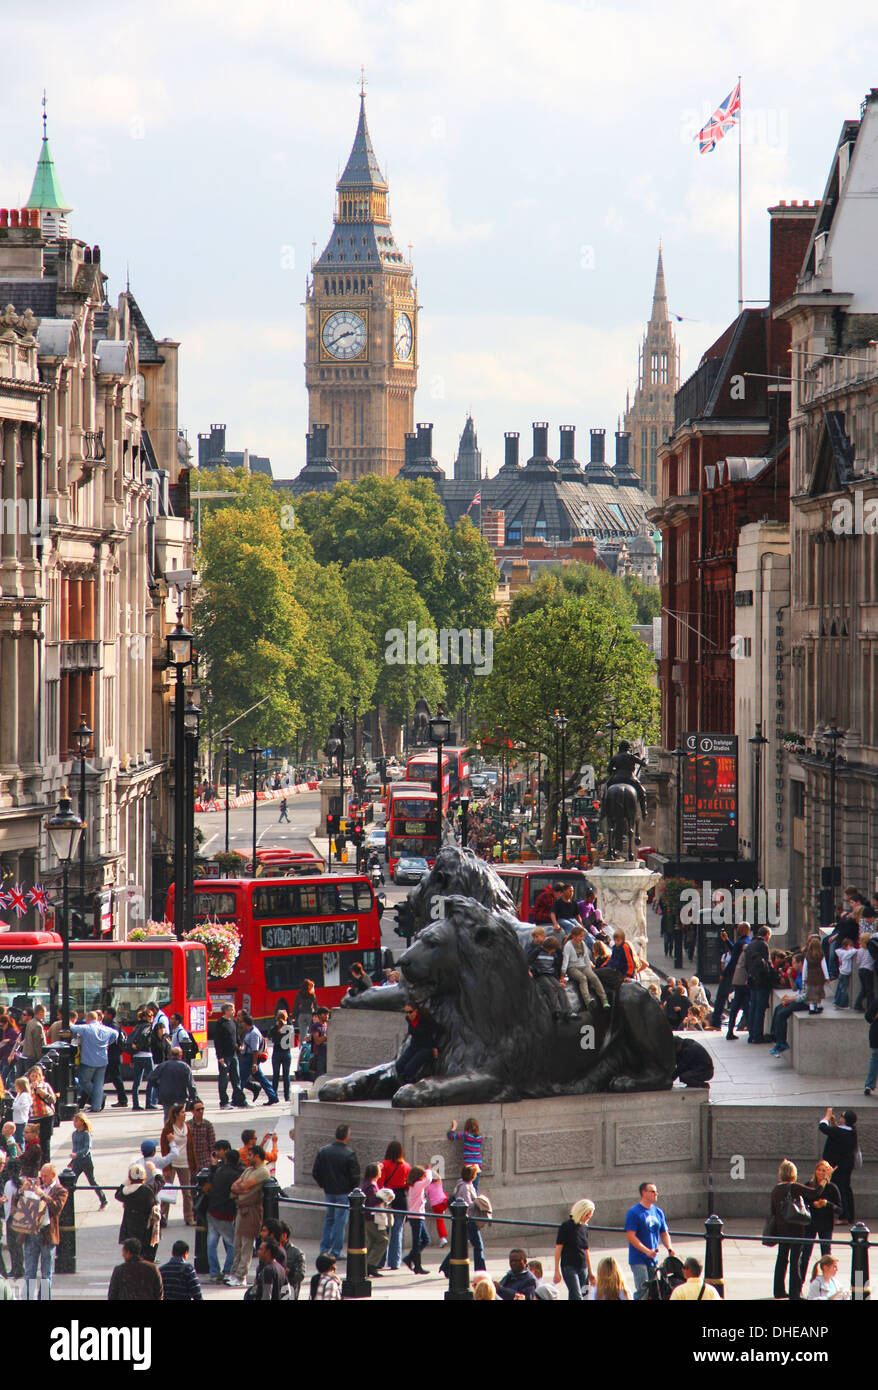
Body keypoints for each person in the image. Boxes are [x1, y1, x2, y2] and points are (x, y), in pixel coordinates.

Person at [17, 1161, 66, 1301]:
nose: (42, 1178)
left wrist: (43, 1195)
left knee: (46, 1273)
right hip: (31, 1234)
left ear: (53, 1175)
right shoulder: (36, 1187)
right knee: (29, 1272)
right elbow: (18, 1203)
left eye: (45, 1176)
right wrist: (23, 1190)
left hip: (47, 1236)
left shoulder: (60, 1190)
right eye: (41, 1175)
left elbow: (56, 1208)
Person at [312, 1123, 360, 1259]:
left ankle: (324, 1249)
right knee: (339, 1222)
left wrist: (324, 1184)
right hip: (343, 1192)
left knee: (329, 1219)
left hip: (329, 1190)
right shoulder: (349, 1154)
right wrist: (352, 1188)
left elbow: (316, 1172)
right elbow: (354, 1176)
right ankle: (335, 1251)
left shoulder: (323, 1151)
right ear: (347, 1136)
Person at [769, 1159, 814, 1300]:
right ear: (793, 1173)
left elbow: (773, 1211)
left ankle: (778, 1291)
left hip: (782, 1230)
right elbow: (815, 1193)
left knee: (781, 1259)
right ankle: (795, 1293)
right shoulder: (794, 1187)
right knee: (795, 1261)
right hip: (796, 1228)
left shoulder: (776, 1189)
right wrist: (826, 1179)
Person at [227, 1144, 271, 1288]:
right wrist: (240, 1188)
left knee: (246, 1244)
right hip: (240, 1209)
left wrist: (240, 1189)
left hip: (251, 1211)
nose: (247, 1157)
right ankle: (234, 1272)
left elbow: (243, 1186)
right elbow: (235, 1185)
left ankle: (241, 1276)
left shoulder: (262, 1171)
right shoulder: (248, 1170)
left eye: (250, 1155)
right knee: (237, 1243)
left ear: (257, 1156)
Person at [796, 1159, 842, 1293]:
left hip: (826, 1225)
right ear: (815, 1171)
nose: (821, 1173)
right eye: (819, 1170)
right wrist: (813, 1205)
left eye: (824, 1170)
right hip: (810, 1225)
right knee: (805, 1255)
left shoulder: (832, 1188)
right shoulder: (809, 1185)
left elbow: (840, 1210)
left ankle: (828, 1286)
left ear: (829, 1173)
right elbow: (802, 1204)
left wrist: (827, 1204)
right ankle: (799, 1285)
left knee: (826, 1255)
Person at [624, 1181, 676, 1295]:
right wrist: (646, 1251)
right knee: (643, 1290)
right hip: (638, 1258)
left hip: (652, 1259)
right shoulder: (634, 1212)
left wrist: (669, 1248)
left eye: (656, 1191)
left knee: (654, 1291)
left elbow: (664, 1233)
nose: (656, 1193)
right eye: (652, 1191)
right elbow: (630, 1236)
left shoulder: (658, 1212)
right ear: (644, 1193)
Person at [204, 1140, 243, 1283]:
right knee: (233, 1242)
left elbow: (210, 1181)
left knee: (211, 1243)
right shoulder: (237, 1173)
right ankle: (227, 1270)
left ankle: (214, 1272)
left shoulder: (219, 1170)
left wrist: (213, 1165)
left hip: (212, 1211)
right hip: (224, 1213)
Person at [69, 1010, 118, 1112]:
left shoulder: (86, 1028)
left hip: (89, 1059)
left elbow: (72, 1027)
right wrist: (107, 1043)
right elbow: (115, 1034)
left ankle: (100, 1097)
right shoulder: (106, 1029)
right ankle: (96, 1106)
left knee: (83, 1080)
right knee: (99, 1083)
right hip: (103, 1059)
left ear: (88, 1019)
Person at [115, 1163, 162, 1263]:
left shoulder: (125, 1193)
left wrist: (128, 1180)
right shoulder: (148, 1190)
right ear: (144, 1177)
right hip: (146, 1229)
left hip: (130, 1229)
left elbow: (117, 1193)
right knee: (147, 1258)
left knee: (132, 1256)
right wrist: (153, 1169)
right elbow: (160, 1181)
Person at [819, 1107, 858, 1223]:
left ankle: (844, 1216)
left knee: (840, 1189)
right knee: (846, 1188)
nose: (840, 1118)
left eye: (842, 1117)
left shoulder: (840, 1132)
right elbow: (839, 1132)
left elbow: (823, 1127)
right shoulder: (851, 1132)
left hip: (837, 1165)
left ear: (845, 1120)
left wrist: (826, 1117)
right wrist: (835, 1123)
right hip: (846, 1165)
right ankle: (850, 1215)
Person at [160, 1103, 195, 1226]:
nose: (184, 1114)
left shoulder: (187, 1128)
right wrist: (166, 1166)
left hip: (185, 1162)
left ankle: (189, 1217)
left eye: (185, 1112)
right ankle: (163, 1217)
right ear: (176, 1115)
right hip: (172, 1163)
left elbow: (191, 1147)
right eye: (182, 1112)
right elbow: (164, 1148)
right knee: (167, 1190)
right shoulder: (168, 1129)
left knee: (187, 1192)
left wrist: (193, 1163)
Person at [553, 1197, 595, 1300]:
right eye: (588, 1214)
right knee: (577, 1296)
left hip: (582, 1266)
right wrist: (556, 1270)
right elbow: (558, 1249)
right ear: (582, 1212)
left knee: (584, 1295)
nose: (590, 1216)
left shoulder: (584, 1228)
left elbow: (586, 1250)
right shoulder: (566, 1226)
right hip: (569, 1266)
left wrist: (590, 1271)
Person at [379, 1140, 411, 1269]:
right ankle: (394, 1262)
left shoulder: (384, 1165)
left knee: (383, 1231)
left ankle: (380, 1261)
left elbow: (380, 1184)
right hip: (401, 1200)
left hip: (386, 1198)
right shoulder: (406, 1166)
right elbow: (408, 1186)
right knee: (398, 1231)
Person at [561, 927, 609, 1010]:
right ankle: (587, 1000)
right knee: (582, 978)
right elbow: (565, 960)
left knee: (594, 977)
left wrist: (590, 970)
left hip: (582, 966)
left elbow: (586, 958)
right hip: (572, 967)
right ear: (574, 936)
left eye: (582, 936)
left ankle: (604, 1000)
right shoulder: (568, 946)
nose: (582, 938)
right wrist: (563, 973)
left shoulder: (583, 944)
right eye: (580, 936)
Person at [68, 1111, 107, 1209]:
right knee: (71, 1183)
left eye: (76, 1121)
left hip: (86, 1162)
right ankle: (67, 1203)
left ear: (82, 1122)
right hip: (77, 1162)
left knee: (92, 1181)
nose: (74, 1123)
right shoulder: (74, 1134)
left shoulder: (86, 1134)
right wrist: (72, 1161)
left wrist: (77, 1154)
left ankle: (103, 1200)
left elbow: (87, 1148)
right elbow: (75, 1148)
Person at [215, 1003, 248, 1109]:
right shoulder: (220, 1023)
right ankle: (224, 1102)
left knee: (236, 1079)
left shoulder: (233, 1022)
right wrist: (219, 1056)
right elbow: (217, 1041)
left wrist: (240, 1045)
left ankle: (240, 1100)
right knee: (224, 1079)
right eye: (232, 1009)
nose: (234, 1011)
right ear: (226, 1011)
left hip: (233, 1055)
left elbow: (236, 1035)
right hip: (224, 1056)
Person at [744, 926, 774, 1043]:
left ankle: (752, 1034)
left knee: (753, 1008)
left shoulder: (750, 945)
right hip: (762, 981)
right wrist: (775, 976)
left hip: (752, 980)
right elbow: (767, 964)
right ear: (767, 934)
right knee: (760, 1009)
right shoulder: (763, 945)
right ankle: (757, 1035)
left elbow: (746, 964)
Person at [398, 1002, 440, 1082]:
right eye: (406, 1012)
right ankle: (402, 1082)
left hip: (425, 1047)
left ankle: (410, 1083)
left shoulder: (425, 1019)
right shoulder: (409, 1020)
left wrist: (434, 1047)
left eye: (410, 1012)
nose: (408, 1015)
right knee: (399, 1065)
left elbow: (435, 1031)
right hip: (414, 1046)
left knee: (409, 1070)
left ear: (416, 1011)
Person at [401, 1164, 432, 1274]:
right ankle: (417, 1265)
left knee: (425, 1239)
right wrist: (428, 1170)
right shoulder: (418, 1184)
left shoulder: (414, 1185)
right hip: (416, 1216)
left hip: (418, 1215)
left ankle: (410, 1258)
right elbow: (428, 1180)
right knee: (417, 1241)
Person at [150, 1046, 195, 1120]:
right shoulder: (185, 1066)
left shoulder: (163, 1065)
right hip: (180, 1096)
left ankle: (168, 1130)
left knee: (168, 1115)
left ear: (170, 1055)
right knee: (180, 1116)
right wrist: (194, 1097)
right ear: (181, 1055)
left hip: (166, 1096)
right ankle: (178, 1130)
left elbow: (151, 1078)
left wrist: (159, 1086)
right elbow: (191, 1084)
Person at [360, 1163, 390, 1275]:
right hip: (373, 1217)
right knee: (383, 1240)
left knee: (372, 1241)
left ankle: (364, 1265)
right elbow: (373, 1201)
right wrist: (384, 1198)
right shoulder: (371, 1186)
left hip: (370, 1217)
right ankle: (371, 1264)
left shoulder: (369, 1184)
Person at [126, 1008, 156, 1111]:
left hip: (136, 1056)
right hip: (147, 1055)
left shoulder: (136, 1027)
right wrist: (140, 1045)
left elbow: (130, 1040)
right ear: (145, 1017)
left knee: (137, 1082)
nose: (151, 1018)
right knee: (151, 1080)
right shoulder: (148, 1026)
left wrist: (131, 1058)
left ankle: (135, 1104)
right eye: (150, 1016)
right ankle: (149, 1103)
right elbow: (145, 1037)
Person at [26, 1066, 55, 1160]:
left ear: (40, 1077)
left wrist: (41, 1092)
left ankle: (46, 1162)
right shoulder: (27, 1088)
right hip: (34, 1117)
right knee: (34, 1141)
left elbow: (53, 1100)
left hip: (46, 1115)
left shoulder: (45, 1086)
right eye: (32, 1076)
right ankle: (36, 1162)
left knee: (45, 1140)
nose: (34, 1078)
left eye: (36, 1076)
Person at [101, 1007, 127, 1107]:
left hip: (113, 1056)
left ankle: (123, 1100)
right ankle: (122, 1100)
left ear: (110, 1015)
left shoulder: (112, 1026)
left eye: (106, 1013)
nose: (104, 1015)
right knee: (110, 1078)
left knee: (114, 1078)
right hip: (113, 1056)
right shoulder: (112, 1024)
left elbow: (111, 1040)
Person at [269, 1009, 292, 1102]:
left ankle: (274, 1095)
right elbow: (293, 1042)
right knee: (286, 1076)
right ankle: (287, 1096)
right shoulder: (290, 1028)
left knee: (276, 1075)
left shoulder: (274, 1028)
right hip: (286, 1053)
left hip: (277, 1053)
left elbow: (271, 1039)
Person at [292, 978, 318, 1049]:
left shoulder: (299, 994)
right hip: (310, 1014)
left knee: (302, 1034)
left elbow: (295, 1005)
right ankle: (310, 1047)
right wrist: (317, 1014)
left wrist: (293, 1016)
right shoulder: (311, 994)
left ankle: (301, 1048)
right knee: (311, 1032)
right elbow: (315, 1004)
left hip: (301, 1015)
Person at [20, 1003, 47, 1071]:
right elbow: (39, 1044)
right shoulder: (38, 1026)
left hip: (27, 1056)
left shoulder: (30, 1023)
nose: (45, 1015)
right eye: (45, 1012)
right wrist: (42, 1058)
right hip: (34, 1058)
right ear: (41, 1012)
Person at [834, 939, 858, 1009]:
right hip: (845, 973)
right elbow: (850, 953)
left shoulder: (840, 952)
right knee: (844, 989)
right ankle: (842, 1004)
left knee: (840, 988)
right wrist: (854, 950)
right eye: (850, 946)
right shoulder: (845, 953)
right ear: (845, 946)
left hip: (842, 972)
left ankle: (837, 1002)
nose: (851, 947)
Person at [864, 996, 878, 1095]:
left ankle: (869, 1084)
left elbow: (868, 1016)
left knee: (874, 1059)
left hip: (875, 1033)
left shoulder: (876, 1001)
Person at [12, 1077, 31, 1148]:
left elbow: (21, 1106)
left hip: (21, 1120)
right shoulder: (18, 1095)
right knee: (17, 1138)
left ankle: (21, 1152)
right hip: (16, 1119)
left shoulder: (24, 1096)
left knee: (20, 1139)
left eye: (16, 1086)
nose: (15, 1087)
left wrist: (13, 1105)